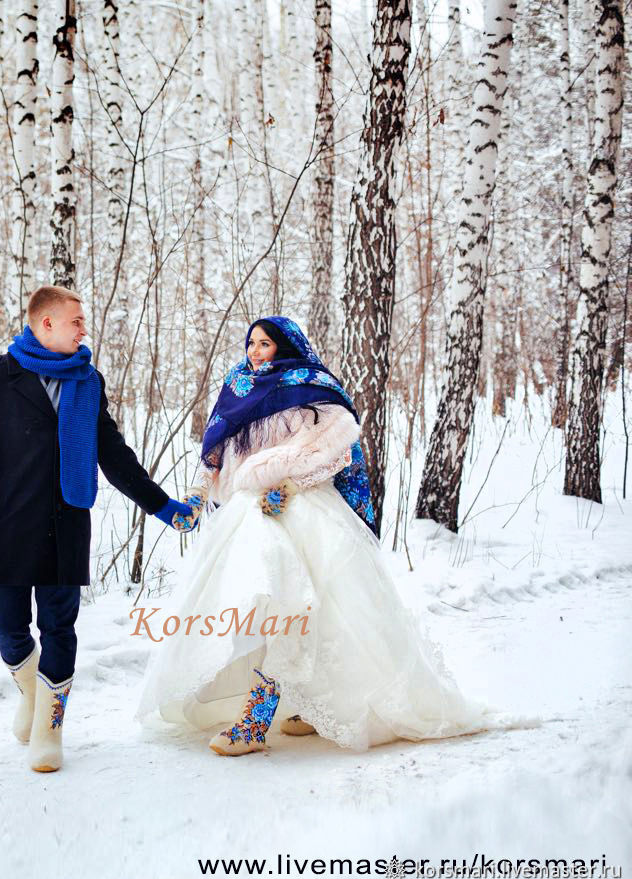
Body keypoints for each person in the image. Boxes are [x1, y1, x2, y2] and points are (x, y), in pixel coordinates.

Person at [137, 316, 515, 755]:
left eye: (265, 344)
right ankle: (299, 704)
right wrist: (197, 495)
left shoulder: (313, 387)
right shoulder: (238, 386)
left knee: (305, 605)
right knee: (256, 601)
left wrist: (291, 487)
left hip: (303, 508)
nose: (255, 352)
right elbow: (215, 450)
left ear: (286, 346)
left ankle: (261, 718)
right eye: (251, 344)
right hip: (246, 511)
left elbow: (335, 451)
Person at [0, 285, 193, 772]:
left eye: (83, 321)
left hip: (65, 523)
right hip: (8, 524)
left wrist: (160, 506)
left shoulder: (86, 381)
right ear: (46, 324)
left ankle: (49, 729)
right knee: (8, 627)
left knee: (60, 627)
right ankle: (33, 700)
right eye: (75, 320)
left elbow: (114, 455)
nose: (83, 328)